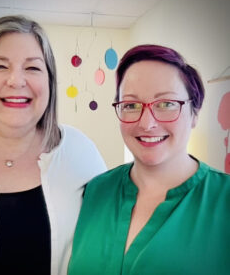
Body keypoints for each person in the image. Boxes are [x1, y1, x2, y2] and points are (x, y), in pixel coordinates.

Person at [0, 15, 107, 275]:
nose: (16, 80)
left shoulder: (81, 152)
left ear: (49, 81)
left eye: (33, 68)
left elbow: (110, 238)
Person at [68, 44, 230, 274]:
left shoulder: (223, 200)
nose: (147, 123)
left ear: (195, 113)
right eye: (131, 105)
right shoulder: (95, 191)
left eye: (166, 104)